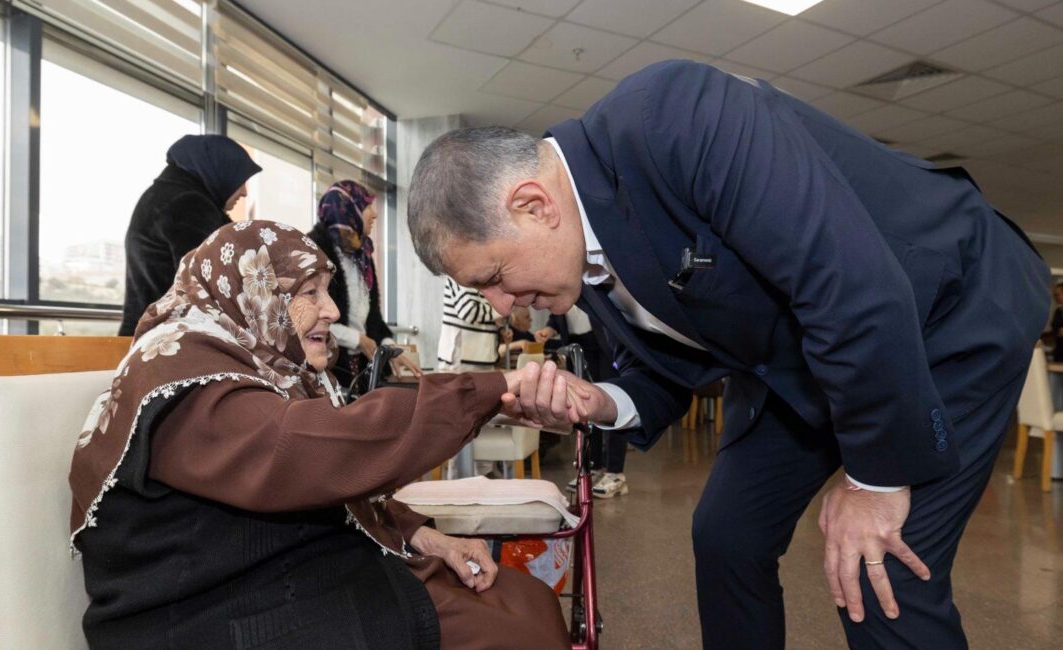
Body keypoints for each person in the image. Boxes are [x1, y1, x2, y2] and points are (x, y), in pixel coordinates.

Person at [406, 60, 1050, 649]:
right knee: (727, 536)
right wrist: (598, 402)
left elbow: (850, 285)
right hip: (803, 354)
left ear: (533, 204)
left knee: (880, 565)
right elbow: (665, 369)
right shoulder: (579, 252)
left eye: (494, 276)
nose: (499, 305)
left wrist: (873, 484)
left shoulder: (674, 116)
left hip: (947, 309)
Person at [71, 222, 569, 649]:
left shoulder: (256, 366)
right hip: (209, 617)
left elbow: (320, 481)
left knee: (525, 601)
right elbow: (308, 452)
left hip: (282, 575)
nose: (331, 310)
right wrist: (491, 389)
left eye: (327, 291)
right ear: (253, 292)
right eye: (310, 293)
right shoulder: (182, 377)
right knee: (513, 628)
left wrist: (425, 536)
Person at [119, 134, 262, 336]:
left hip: (150, 337)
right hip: (169, 340)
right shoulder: (188, 204)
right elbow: (210, 286)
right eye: (240, 179)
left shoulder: (163, 196)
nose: (244, 192)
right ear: (221, 171)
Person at [308, 180, 421, 386]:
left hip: (360, 367)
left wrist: (389, 348)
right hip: (328, 365)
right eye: (367, 206)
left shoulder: (363, 255)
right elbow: (307, 318)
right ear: (349, 211)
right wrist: (357, 339)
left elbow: (373, 318)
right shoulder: (314, 252)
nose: (375, 214)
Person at [537, 307, 629, 498]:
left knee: (612, 403)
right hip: (576, 346)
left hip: (604, 344)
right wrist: (550, 329)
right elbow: (559, 313)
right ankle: (594, 467)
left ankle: (615, 473)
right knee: (586, 408)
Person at [437, 277, 500, 371]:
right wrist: (500, 312)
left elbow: (487, 314)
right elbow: (468, 311)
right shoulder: (457, 274)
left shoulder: (486, 277)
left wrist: (500, 327)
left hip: (485, 356)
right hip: (460, 359)